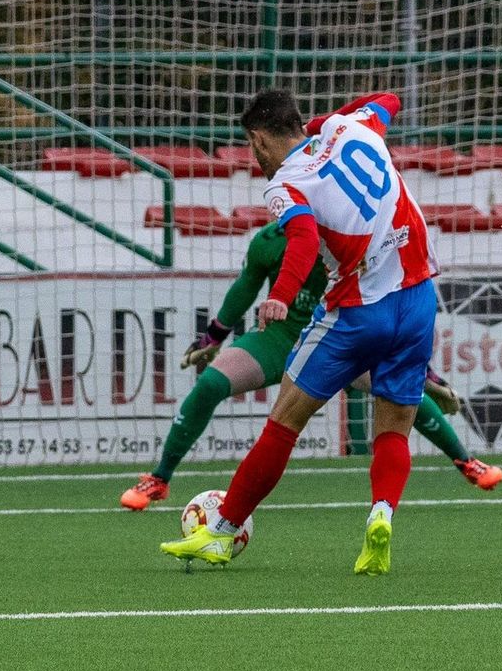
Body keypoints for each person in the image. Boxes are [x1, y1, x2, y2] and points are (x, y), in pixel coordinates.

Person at [162, 89, 439, 575]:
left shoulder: (285, 183)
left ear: (258, 140)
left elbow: (305, 238)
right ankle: (381, 514)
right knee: (394, 428)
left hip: (358, 310)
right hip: (418, 301)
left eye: (252, 147)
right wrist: (322, 123)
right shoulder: (351, 127)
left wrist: (282, 295)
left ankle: (222, 532)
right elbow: (390, 99)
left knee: (285, 420)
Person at [120, 220, 501, 511]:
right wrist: (213, 337)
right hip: (279, 338)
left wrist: (425, 372)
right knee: (210, 383)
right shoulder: (269, 240)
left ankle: (466, 461)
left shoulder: (349, 238)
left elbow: (390, 302)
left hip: (340, 340)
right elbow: (246, 287)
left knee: (399, 386)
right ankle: (159, 479)